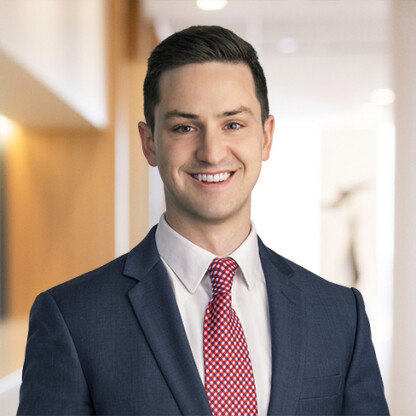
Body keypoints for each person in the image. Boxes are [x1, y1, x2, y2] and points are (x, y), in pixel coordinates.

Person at [18, 25, 389, 415]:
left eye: (233, 124)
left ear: (266, 137)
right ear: (150, 143)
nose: (212, 153)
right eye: (184, 127)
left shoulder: (338, 314)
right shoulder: (73, 318)